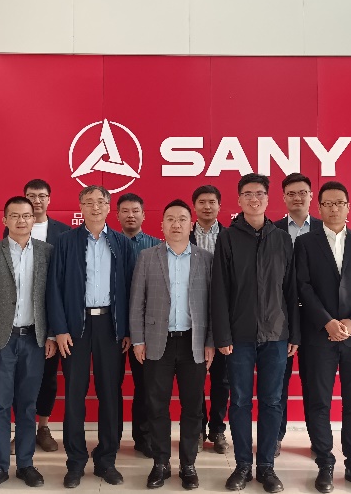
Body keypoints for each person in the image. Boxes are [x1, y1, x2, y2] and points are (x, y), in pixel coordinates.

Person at [212, 173, 298, 494]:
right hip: (240, 337)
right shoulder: (228, 238)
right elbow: (219, 290)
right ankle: (242, 466)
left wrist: (294, 334)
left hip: (276, 335)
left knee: (272, 401)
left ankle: (266, 468)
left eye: (259, 193)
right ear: (239, 200)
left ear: (268, 198)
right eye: (247, 194)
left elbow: (291, 290)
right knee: (240, 402)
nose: (254, 199)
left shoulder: (282, 239)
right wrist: (222, 336)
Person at [47, 185, 135, 488]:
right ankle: (75, 462)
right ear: (80, 207)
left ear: (109, 207)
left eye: (101, 202)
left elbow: (130, 289)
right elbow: (54, 288)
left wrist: (127, 330)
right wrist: (59, 329)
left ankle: (106, 460)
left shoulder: (121, 243)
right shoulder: (66, 241)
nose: (95, 207)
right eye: (89, 202)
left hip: (111, 326)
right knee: (74, 395)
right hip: (76, 328)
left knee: (110, 394)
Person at [294, 181, 351, 494]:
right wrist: (327, 321)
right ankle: (325, 463)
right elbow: (303, 287)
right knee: (318, 402)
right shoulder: (305, 243)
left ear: (348, 207)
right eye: (327, 204)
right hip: (319, 336)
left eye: (339, 203)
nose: (333, 209)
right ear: (318, 208)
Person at [130, 199, 215, 490]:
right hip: (158, 342)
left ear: (191, 224)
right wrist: (138, 339)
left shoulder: (205, 259)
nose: (176, 224)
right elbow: (137, 302)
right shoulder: (147, 257)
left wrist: (210, 341)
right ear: (162, 225)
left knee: (193, 408)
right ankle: (161, 463)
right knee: (156, 406)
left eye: (181, 219)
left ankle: (188, 464)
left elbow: (213, 305)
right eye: (170, 219)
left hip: (194, 342)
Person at [0, 196, 55, 492]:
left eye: (26, 215)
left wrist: (51, 335)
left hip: (35, 340)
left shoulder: (47, 252)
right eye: (15, 215)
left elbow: (53, 298)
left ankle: (25, 464)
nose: (21, 220)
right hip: (1, 342)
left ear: (34, 219)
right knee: (0, 405)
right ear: (4, 220)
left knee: (28, 405)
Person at [4, 179, 69, 455]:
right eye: (31, 196)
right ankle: (22, 430)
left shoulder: (63, 233)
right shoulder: (13, 229)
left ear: (49, 199)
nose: (37, 201)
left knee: (48, 377)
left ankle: (43, 427)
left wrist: (56, 326)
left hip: (50, 317)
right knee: (20, 379)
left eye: (42, 196)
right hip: (19, 318)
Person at [272, 173, 320, 457]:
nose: (297, 198)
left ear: (311, 196)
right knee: (278, 382)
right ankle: (275, 437)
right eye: (291, 193)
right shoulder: (273, 230)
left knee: (315, 383)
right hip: (282, 316)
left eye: (302, 192)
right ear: (283, 198)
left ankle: (318, 440)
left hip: (316, 318)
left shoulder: (325, 229)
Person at [116, 192, 160, 457]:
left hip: (146, 330)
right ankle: (111, 439)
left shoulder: (156, 247)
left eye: (135, 211)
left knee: (146, 386)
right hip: (113, 328)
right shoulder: (109, 244)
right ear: (117, 215)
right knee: (111, 386)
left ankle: (144, 439)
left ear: (144, 215)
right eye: (125, 211)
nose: (130, 215)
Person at [189, 184, 230, 454]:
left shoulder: (231, 236)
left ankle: (217, 429)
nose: (207, 206)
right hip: (192, 315)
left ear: (219, 205)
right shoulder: (183, 234)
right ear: (195, 206)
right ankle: (197, 429)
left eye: (212, 202)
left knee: (221, 379)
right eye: (202, 202)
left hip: (224, 315)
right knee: (194, 377)